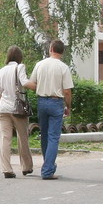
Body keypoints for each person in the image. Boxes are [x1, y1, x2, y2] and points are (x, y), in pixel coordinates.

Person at [28, 39, 74, 180]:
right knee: (54, 137)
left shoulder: (40, 64)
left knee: (45, 136)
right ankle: (48, 170)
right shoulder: (63, 67)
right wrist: (68, 106)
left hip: (42, 101)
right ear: (62, 51)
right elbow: (67, 91)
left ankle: (48, 166)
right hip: (56, 102)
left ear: (51, 49)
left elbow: (31, 83)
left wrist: (42, 88)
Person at [0, 45, 34, 179]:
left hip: (3, 108)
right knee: (23, 138)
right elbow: (24, 82)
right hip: (18, 108)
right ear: (19, 57)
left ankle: (6, 169)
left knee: (4, 139)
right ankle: (26, 167)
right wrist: (37, 86)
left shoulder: (1, 70)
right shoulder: (20, 67)